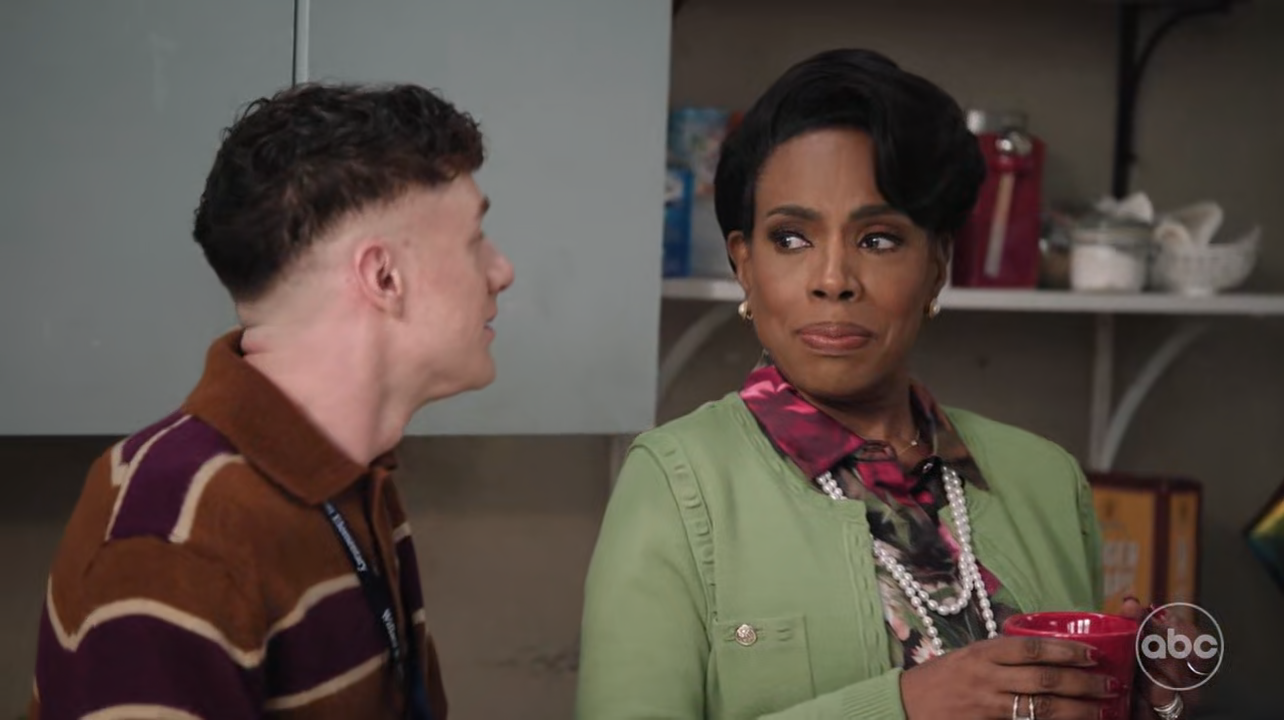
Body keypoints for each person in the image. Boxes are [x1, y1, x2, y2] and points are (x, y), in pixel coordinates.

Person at [577, 49, 1189, 720]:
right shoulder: (678, 483)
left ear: (937, 265)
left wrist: (1137, 702)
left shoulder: (1045, 479)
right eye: (791, 238)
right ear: (744, 265)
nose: (833, 280)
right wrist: (905, 706)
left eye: (877, 240)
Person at [30, 82, 514, 719]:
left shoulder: (355, 481)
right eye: (476, 239)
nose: (501, 270)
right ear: (384, 277)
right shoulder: (172, 529)